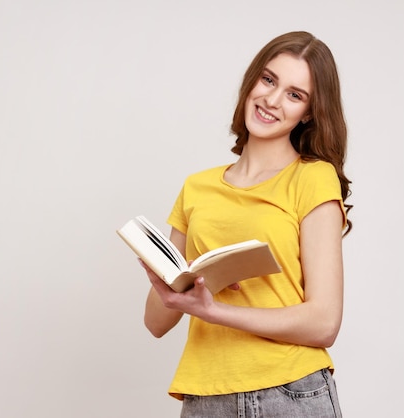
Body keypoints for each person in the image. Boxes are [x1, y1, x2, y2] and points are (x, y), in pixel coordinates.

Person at [139, 30, 352, 418]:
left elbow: (324, 323)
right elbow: (155, 322)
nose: (271, 100)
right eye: (268, 80)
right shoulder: (196, 187)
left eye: (294, 94)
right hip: (204, 396)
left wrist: (211, 309)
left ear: (308, 113)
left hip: (289, 394)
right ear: (253, 79)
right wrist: (173, 286)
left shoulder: (313, 178)